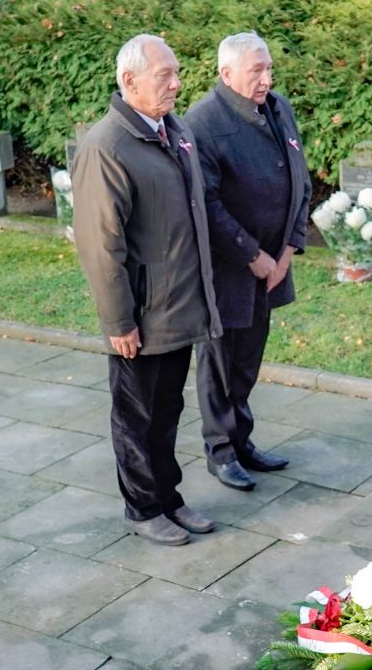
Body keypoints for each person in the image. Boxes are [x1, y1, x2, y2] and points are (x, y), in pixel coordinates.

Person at [71, 33, 223, 546]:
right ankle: (142, 508)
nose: (177, 84)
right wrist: (119, 321)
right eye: (165, 75)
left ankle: (168, 497)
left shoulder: (173, 131)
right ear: (129, 80)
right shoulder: (106, 147)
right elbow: (101, 245)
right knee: (136, 418)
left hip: (178, 307)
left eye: (176, 73)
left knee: (167, 412)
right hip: (140, 314)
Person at [185, 32, 310, 491]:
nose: (266, 79)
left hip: (273, 266)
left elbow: (300, 178)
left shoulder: (278, 108)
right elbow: (206, 202)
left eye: (269, 68)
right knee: (220, 363)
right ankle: (220, 451)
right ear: (226, 73)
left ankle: (241, 441)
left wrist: (288, 250)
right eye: (256, 70)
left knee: (248, 360)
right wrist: (253, 255)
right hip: (228, 270)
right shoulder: (202, 121)